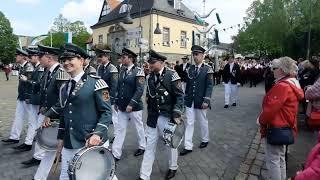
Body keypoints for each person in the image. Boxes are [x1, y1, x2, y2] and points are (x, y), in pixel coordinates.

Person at [39, 43, 114, 180]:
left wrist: (97, 134)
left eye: (70, 59)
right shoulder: (64, 87)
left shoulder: (97, 83)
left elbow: (107, 113)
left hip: (90, 140)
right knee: (66, 175)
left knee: (98, 175)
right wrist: (61, 138)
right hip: (69, 141)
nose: (66, 63)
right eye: (64, 60)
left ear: (81, 60)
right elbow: (65, 114)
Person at [137, 49, 184, 180]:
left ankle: (173, 167)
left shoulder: (172, 75)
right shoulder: (150, 76)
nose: (150, 65)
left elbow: (180, 96)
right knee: (149, 146)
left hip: (167, 117)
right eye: (149, 62)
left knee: (170, 144)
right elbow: (150, 95)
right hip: (153, 117)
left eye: (152, 62)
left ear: (162, 62)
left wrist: (176, 113)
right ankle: (144, 175)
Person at [258, 57, 304, 180]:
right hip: (285, 126)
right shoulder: (291, 83)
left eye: (274, 68)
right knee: (280, 158)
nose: (272, 71)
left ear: (282, 70)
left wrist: (261, 120)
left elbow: (270, 110)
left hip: (277, 126)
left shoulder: (282, 86)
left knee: (273, 160)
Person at [32, 44, 68, 180]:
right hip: (51, 115)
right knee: (51, 150)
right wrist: (43, 107)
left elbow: (63, 100)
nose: (38, 59)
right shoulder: (49, 71)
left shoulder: (61, 73)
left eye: (41, 57)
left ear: (49, 57)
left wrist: (49, 113)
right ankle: (39, 177)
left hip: (59, 118)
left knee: (58, 150)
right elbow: (46, 93)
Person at [112, 48, 146, 161]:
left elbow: (140, 90)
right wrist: (116, 101)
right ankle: (116, 153)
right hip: (122, 106)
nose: (122, 59)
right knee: (120, 129)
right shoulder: (122, 70)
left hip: (134, 107)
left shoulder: (139, 71)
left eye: (124, 57)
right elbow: (118, 88)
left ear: (130, 58)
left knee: (138, 127)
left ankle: (142, 146)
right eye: (122, 57)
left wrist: (131, 104)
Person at [180, 45, 214, 156]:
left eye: (197, 54)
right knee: (189, 123)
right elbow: (188, 85)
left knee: (203, 121)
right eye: (194, 54)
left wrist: (207, 100)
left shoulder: (208, 69)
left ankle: (205, 139)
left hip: (201, 100)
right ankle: (188, 146)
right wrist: (185, 98)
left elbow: (209, 86)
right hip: (190, 100)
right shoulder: (190, 68)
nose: (195, 57)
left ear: (202, 55)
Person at [2, 48, 35, 152]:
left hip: (27, 97)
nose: (16, 57)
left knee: (31, 120)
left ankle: (29, 141)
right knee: (18, 116)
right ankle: (14, 137)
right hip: (21, 96)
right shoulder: (22, 66)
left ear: (23, 56)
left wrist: (28, 97)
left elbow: (29, 84)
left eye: (17, 55)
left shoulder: (28, 66)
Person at [19, 48, 45, 167]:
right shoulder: (38, 67)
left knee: (35, 124)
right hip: (36, 100)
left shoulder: (40, 68)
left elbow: (38, 85)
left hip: (38, 101)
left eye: (32, 56)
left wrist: (27, 80)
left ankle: (36, 151)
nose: (30, 58)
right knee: (32, 123)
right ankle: (29, 143)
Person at [95, 48, 119, 143]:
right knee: (102, 116)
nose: (99, 58)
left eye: (101, 56)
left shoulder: (112, 68)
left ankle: (117, 135)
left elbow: (114, 85)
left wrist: (112, 98)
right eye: (99, 56)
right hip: (101, 95)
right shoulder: (99, 68)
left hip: (109, 95)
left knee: (114, 117)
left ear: (107, 57)